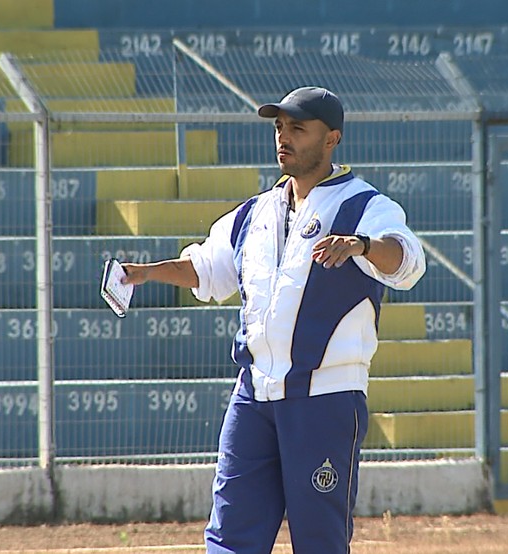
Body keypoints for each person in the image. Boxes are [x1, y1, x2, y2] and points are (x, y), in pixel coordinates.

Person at [121, 86, 426, 554]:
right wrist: (146, 273)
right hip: (253, 397)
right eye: (280, 127)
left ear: (332, 139)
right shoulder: (254, 212)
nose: (284, 137)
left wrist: (362, 245)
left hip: (324, 399)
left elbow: (407, 260)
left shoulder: (365, 206)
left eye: (298, 129)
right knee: (229, 538)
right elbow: (206, 269)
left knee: (320, 541)